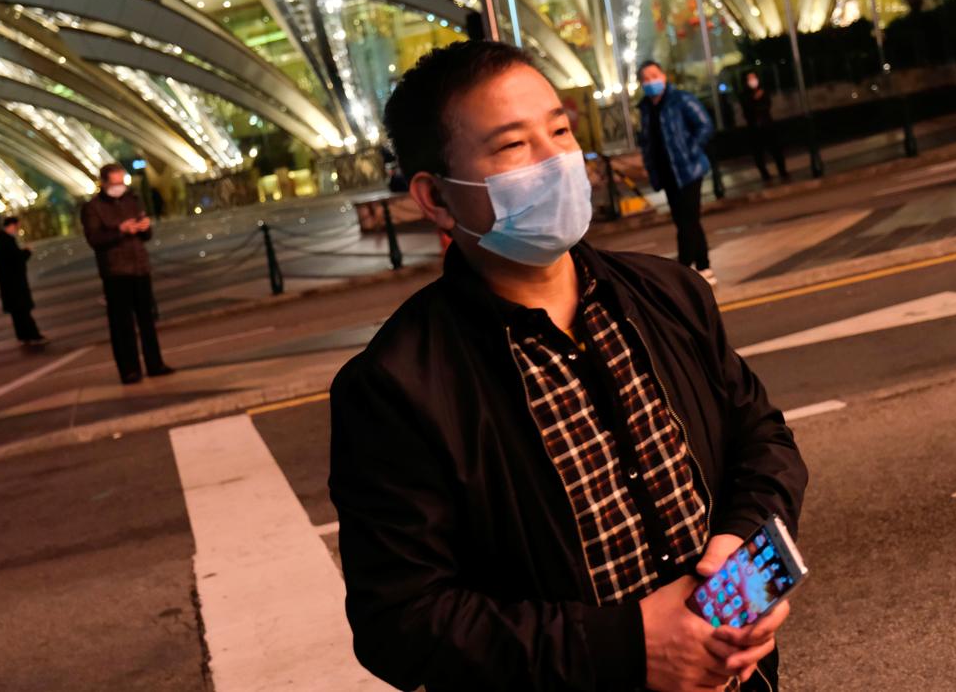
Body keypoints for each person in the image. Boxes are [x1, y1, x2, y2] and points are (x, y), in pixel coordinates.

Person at [329, 41, 807, 692]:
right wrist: (631, 647)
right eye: (513, 146)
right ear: (437, 198)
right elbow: (403, 621)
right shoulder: (394, 388)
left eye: (560, 129)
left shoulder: (669, 294)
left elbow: (763, 440)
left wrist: (741, 554)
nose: (557, 159)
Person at [81, 163, 174, 384]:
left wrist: (144, 227)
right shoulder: (93, 208)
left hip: (140, 267)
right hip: (115, 271)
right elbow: (95, 239)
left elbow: (147, 235)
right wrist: (120, 230)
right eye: (115, 183)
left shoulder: (133, 200)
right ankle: (129, 370)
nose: (120, 186)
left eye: (122, 181)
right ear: (104, 183)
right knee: (122, 324)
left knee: (147, 320)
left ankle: (155, 364)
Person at [636, 60, 718, 286]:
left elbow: (705, 125)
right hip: (666, 173)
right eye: (645, 78)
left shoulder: (680, 99)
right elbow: (647, 142)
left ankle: (687, 269)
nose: (650, 81)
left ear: (663, 75)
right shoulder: (645, 108)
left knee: (687, 220)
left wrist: (690, 149)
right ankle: (701, 267)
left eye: (654, 75)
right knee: (684, 220)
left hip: (689, 169)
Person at [0, 216, 47, 346]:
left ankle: (23, 336)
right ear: (11, 226)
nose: (17, 230)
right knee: (23, 311)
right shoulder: (7, 241)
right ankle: (33, 335)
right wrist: (27, 252)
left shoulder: (0, 241)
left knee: (17, 313)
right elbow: (16, 260)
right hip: (15, 284)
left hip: (7, 284)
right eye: (16, 227)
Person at [738, 72, 789, 183]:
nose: (753, 81)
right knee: (758, 154)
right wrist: (755, 99)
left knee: (776, 150)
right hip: (754, 129)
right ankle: (765, 175)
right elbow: (748, 109)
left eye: (754, 78)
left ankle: (783, 171)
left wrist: (757, 103)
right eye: (749, 79)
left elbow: (766, 106)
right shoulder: (744, 95)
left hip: (768, 126)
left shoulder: (763, 91)